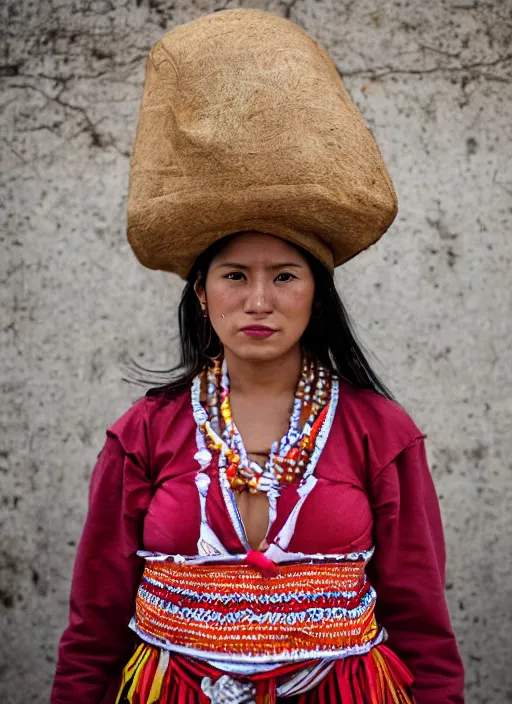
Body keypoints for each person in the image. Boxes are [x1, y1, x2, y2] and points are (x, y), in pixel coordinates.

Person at [51, 8, 465, 704]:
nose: (260, 300)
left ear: (316, 296)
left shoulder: (381, 434)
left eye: (285, 275)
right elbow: (93, 628)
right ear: (203, 296)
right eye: (235, 276)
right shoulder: (145, 434)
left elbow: (423, 629)